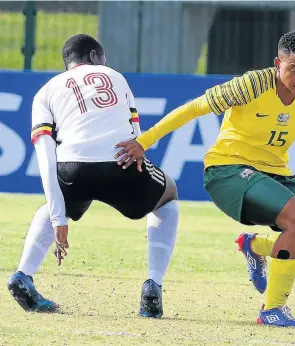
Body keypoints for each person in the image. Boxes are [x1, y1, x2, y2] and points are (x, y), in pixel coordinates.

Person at [115, 31, 295, 327]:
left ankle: (256, 246)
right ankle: (272, 310)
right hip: (228, 169)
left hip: (276, 172)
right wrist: (144, 142)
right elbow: (194, 108)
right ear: (278, 64)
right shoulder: (251, 85)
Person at [7, 34, 179, 319]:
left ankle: (23, 274)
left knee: (57, 203)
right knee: (168, 195)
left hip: (72, 168)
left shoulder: (45, 92)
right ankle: (153, 284)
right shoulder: (115, 77)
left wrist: (59, 218)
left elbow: (46, 159)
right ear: (96, 55)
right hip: (121, 164)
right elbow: (135, 138)